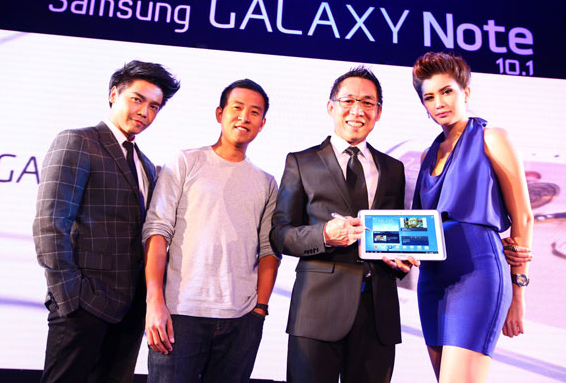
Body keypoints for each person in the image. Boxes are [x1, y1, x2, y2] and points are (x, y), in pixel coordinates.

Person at [33, 60, 180, 382]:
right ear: (114, 94)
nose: (144, 112)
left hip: (130, 311)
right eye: (137, 99)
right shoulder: (78, 141)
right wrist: (71, 298)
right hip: (82, 306)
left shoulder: (146, 165)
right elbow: (50, 222)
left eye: (154, 106)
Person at [270, 66, 418, 383]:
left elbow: (392, 235)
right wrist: (324, 234)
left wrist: (400, 260)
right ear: (331, 106)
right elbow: (280, 234)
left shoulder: (394, 168)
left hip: (378, 314)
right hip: (317, 311)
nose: (357, 110)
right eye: (348, 100)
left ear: (378, 112)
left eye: (367, 103)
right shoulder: (301, 162)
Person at [142, 79, 280, 383]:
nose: (244, 117)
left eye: (254, 112)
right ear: (220, 113)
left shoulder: (266, 182)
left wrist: (259, 310)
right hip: (180, 313)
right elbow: (157, 231)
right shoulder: (185, 161)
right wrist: (154, 301)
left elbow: (269, 250)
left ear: (262, 123)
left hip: (241, 320)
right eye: (237, 108)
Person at [411, 51, 533, 383]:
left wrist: (518, 292)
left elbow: (523, 217)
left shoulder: (492, 138)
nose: (439, 103)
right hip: (431, 280)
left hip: (478, 272)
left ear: (465, 92)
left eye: (446, 91)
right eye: (429, 97)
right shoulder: (426, 155)